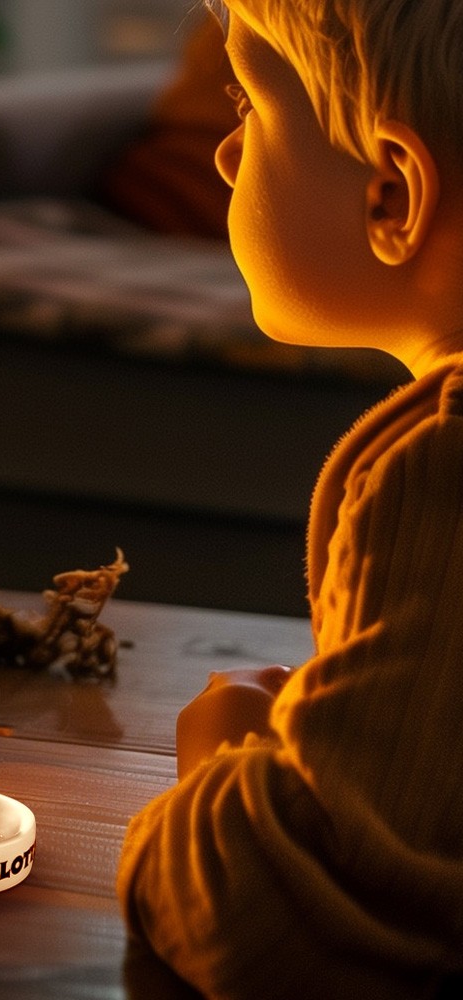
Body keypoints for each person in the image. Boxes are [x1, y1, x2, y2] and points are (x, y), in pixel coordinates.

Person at [116, 1, 463, 996]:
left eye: (249, 106)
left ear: (390, 194)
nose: (223, 157)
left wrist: (219, 760)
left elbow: (275, 924)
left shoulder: (438, 478)